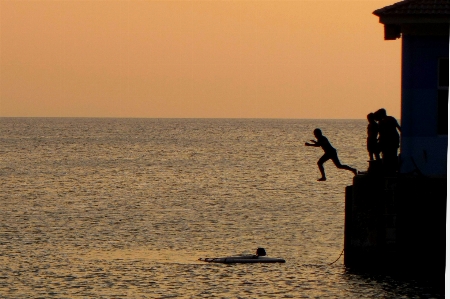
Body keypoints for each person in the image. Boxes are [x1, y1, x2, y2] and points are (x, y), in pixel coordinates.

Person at [374, 108, 401, 173]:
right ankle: (393, 169)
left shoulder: (382, 122)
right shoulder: (391, 118)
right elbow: (399, 128)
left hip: (387, 142)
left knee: (386, 156)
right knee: (393, 155)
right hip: (394, 140)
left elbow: (382, 133)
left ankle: (386, 169)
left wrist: (378, 141)